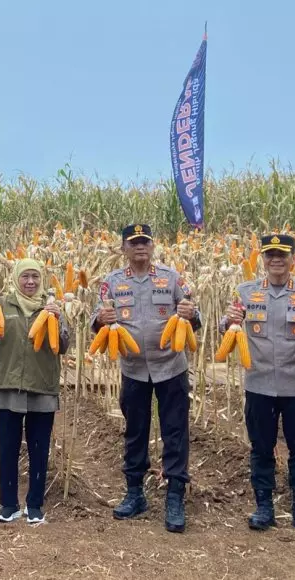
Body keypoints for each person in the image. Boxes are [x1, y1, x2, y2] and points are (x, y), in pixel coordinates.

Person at [220, 234, 295, 539]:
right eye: (270, 254)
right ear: (263, 259)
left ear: (293, 259)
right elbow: (227, 326)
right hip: (259, 383)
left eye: (282, 255)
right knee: (261, 448)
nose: (276, 260)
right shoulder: (246, 292)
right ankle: (264, 507)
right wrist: (227, 320)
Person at [90, 224, 201, 533]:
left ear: (153, 247)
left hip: (171, 367)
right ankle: (135, 493)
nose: (140, 247)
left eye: (145, 242)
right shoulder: (111, 283)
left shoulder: (172, 278)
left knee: (175, 431)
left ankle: (175, 496)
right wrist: (100, 320)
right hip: (133, 369)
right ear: (123, 248)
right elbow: (97, 319)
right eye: (133, 242)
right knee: (135, 432)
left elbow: (196, 316)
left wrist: (192, 314)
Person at [0, 259, 70, 525]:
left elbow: (63, 346)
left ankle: (35, 505)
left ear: (41, 279)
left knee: (39, 449)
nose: (30, 282)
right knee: (7, 448)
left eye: (34, 277)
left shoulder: (52, 307)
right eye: (25, 277)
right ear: (16, 278)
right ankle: (8, 504)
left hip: (42, 386)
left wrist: (57, 318)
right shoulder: (3, 304)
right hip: (8, 385)